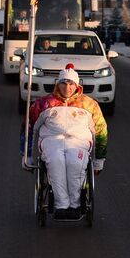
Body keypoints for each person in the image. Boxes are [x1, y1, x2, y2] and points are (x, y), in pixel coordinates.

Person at [25, 64, 108, 220]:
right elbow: (29, 127)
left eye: (71, 84)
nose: (67, 87)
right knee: (56, 162)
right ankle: (61, 205)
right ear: (58, 83)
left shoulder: (89, 104)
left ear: (77, 85)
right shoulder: (44, 104)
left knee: (74, 163)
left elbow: (101, 131)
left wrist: (99, 160)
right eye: (63, 83)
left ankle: (75, 205)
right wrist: (27, 155)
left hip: (79, 142)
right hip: (51, 141)